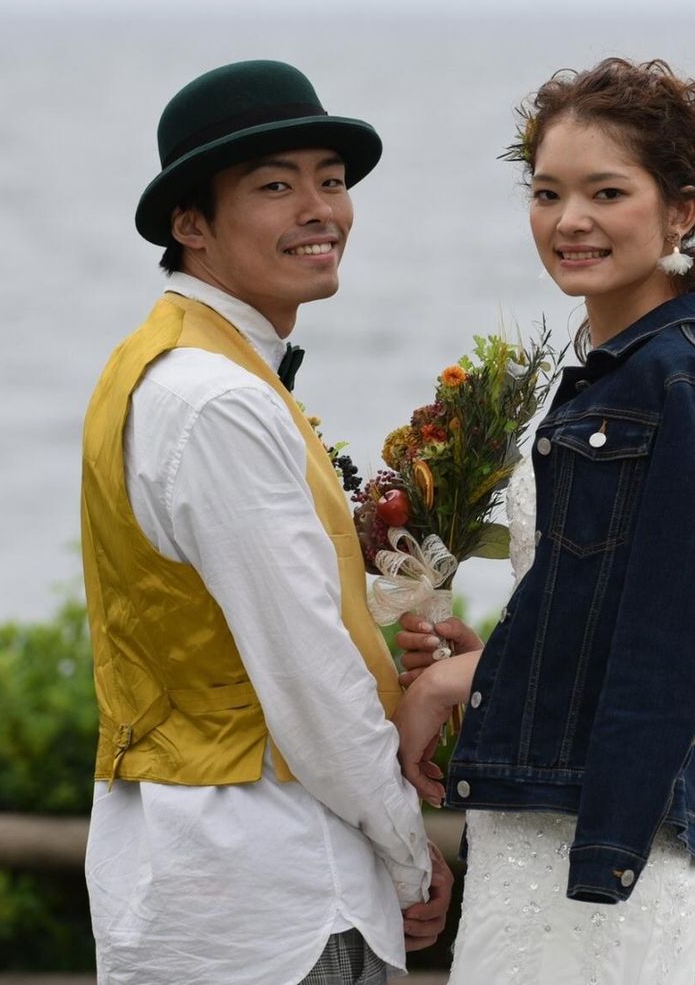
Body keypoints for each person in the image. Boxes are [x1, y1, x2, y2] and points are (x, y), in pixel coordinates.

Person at [393, 57, 695, 982]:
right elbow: (595, 607)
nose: (569, 220)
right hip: (533, 823)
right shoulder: (609, 377)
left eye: (607, 192)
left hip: (598, 833)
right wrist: (495, 660)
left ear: (680, 212)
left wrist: (458, 685)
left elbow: (676, 639)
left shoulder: (680, 382)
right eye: (547, 192)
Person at [80, 59, 452, 985]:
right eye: (275, 187)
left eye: (332, 180)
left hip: (199, 879)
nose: (320, 210)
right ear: (191, 223)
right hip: (279, 891)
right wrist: (409, 855)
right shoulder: (217, 399)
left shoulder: (165, 366)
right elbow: (307, 675)